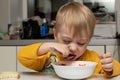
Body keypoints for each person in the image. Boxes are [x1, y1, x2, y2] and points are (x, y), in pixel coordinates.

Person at [18, 2, 120, 77]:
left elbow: (118, 68)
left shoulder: (93, 59)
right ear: (55, 35)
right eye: (66, 41)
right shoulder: (48, 56)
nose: (73, 48)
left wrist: (109, 67)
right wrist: (48, 46)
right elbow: (22, 56)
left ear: (88, 40)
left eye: (81, 43)